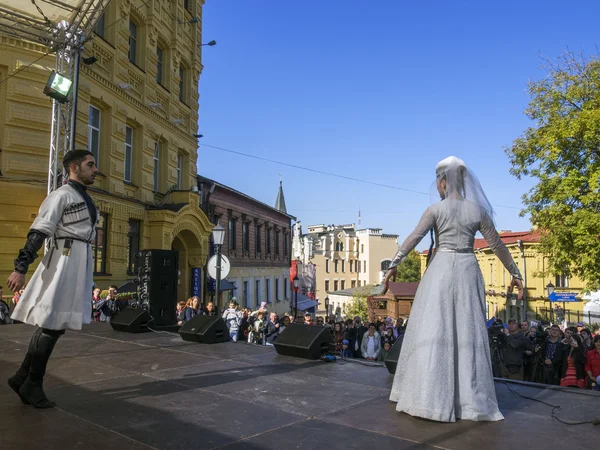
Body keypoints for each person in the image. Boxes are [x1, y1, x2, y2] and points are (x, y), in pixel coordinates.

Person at [384, 156, 524, 423]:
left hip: (441, 270)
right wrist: (516, 274)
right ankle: (468, 400)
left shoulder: (435, 211)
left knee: (435, 328)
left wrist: (393, 264)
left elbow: (414, 237)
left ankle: (430, 399)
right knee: (467, 330)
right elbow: (497, 245)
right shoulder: (477, 211)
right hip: (468, 270)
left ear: (443, 181)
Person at [6, 149, 98, 408]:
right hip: (63, 261)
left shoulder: (83, 197)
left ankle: (22, 377)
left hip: (76, 259)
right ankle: (32, 384)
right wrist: (21, 267)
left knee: (52, 325)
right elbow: (39, 230)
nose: (95, 169)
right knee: (51, 325)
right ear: (74, 168)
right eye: (90, 165)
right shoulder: (61, 195)